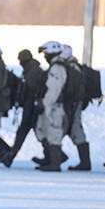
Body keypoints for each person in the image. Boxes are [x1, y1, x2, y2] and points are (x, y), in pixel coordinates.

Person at [1, 49, 44, 167]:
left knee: (35, 131)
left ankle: (55, 156)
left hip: (31, 107)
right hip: (30, 107)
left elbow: (31, 89)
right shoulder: (31, 70)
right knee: (27, 131)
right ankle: (10, 156)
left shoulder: (32, 71)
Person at [33, 40, 68, 172]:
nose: (45, 57)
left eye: (46, 54)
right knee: (42, 131)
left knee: (53, 134)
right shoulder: (55, 66)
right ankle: (52, 159)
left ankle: (55, 163)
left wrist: (45, 104)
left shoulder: (57, 68)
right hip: (52, 105)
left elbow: (54, 90)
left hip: (54, 107)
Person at [60, 44, 91, 171]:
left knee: (73, 129)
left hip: (73, 105)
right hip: (74, 104)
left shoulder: (72, 68)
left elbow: (73, 89)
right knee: (73, 129)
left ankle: (84, 162)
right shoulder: (72, 66)